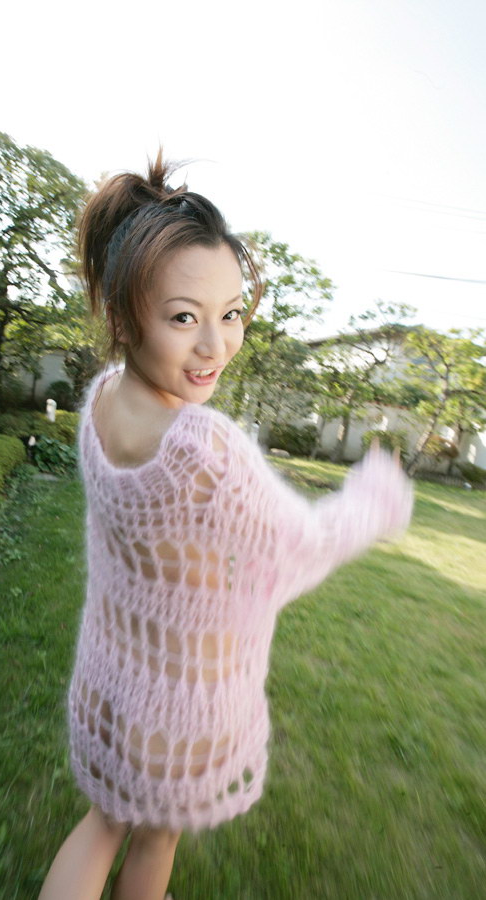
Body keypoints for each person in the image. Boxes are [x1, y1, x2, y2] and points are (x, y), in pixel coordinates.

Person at [38, 151, 413, 900]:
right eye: (184, 317)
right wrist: (375, 498)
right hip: (181, 702)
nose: (215, 346)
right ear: (122, 316)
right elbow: (300, 543)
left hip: (113, 680)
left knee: (102, 824)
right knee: (154, 841)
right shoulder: (200, 446)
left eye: (231, 313)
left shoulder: (104, 399)